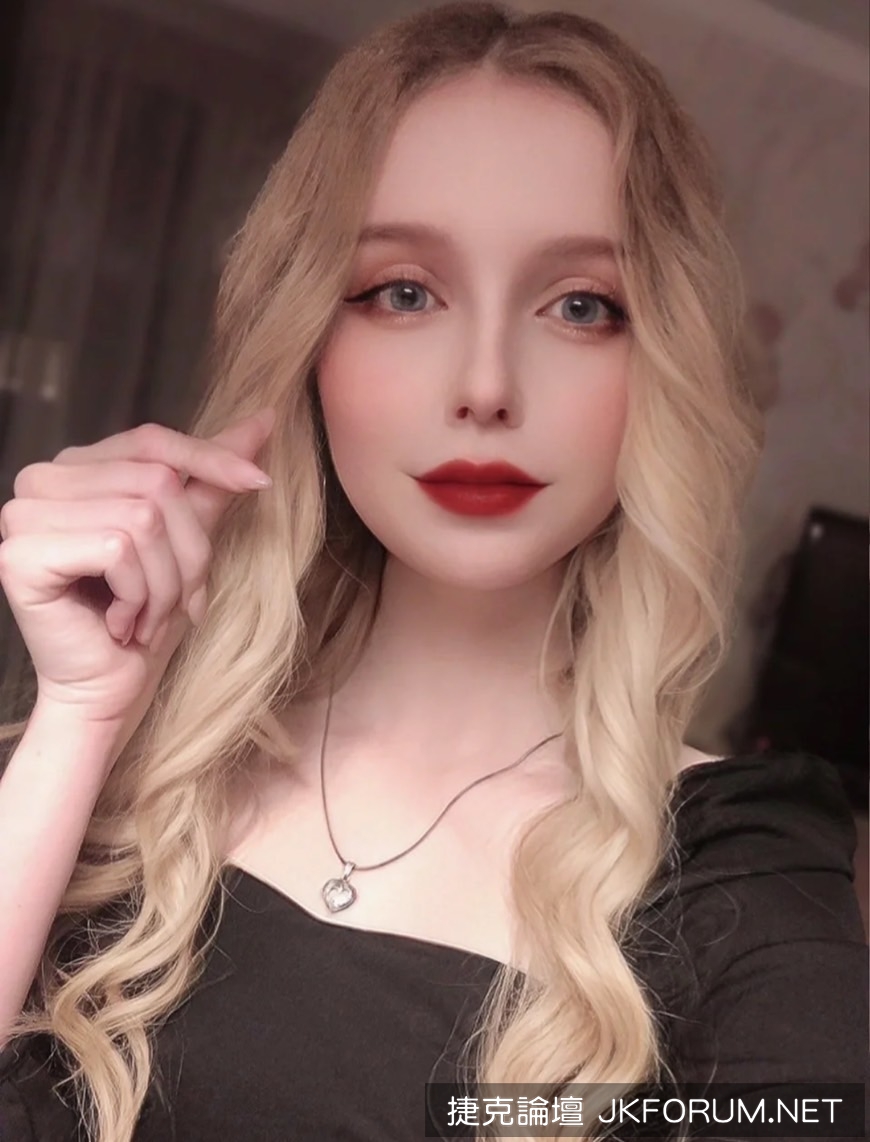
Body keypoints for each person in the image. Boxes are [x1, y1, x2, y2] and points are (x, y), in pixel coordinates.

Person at [0, 3, 865, 1140]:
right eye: (404, 291)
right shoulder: (121, 767)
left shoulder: (737, 875)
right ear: (309, 338)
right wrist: (78, 716)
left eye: (582, 306)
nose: (486, 386)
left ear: (663, 362)